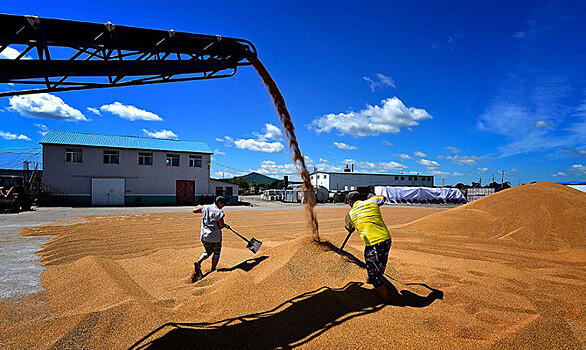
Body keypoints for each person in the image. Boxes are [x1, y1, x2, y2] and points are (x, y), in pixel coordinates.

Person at [344, 191, 391, 303]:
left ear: (350, 202)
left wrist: (355, 223)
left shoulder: (350, 214)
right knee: (379, 264)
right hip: (386, 240)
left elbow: (349, 228)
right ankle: (370, 283)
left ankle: (385, 302)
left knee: (375, 274)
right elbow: (383, 198)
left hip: (374, 244)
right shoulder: (372, 202)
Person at [191, 196, 230, 282]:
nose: (223, 206)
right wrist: (225, 225)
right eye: (223, 204)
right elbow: (220, 226)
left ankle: (199, 262)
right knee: (216, 252)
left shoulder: (205, 207)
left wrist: (199, 206)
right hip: (215, 237)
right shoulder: (219, 212)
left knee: (208, 252)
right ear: (219, 203)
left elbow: (194, 210)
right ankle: (213, 270)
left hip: (204, 236)